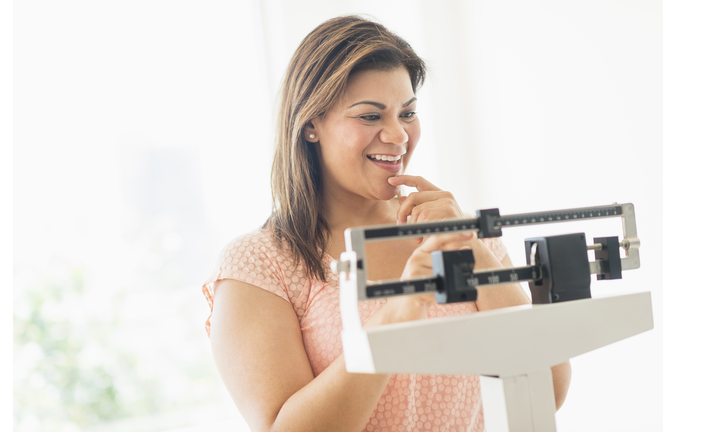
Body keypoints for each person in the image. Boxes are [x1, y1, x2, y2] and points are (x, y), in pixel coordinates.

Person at [202, 15, 571, 432]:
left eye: (407, 113)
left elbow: (547, 390)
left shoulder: (456, 230)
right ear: (310, 125)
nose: (397, 135)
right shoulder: (260, 264)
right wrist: (399, 311)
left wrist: (472, 248)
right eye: (370, 116)